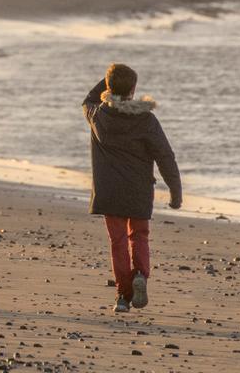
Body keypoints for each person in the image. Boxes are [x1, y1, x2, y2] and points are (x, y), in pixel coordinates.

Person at [81, 63, 182, 313]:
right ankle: (140, 275)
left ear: (109, 87)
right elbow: (165, 156)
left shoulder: (98, 115)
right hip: (138, 190)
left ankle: (123, 296)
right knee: (139, 236)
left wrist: (109, 80)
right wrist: (175, 190)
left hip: (109, 190)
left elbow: (88, 99)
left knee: (117, 242)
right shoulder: (146, 120)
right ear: (133, 90)